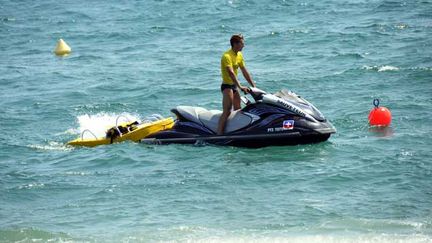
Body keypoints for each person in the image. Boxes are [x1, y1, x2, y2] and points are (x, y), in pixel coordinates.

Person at [217, 34, 256, 135]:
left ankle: (234, 130)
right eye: (242, 44)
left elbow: (244, 71)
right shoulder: (226, 56)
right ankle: (218, 134)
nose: (244, 46)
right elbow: (231, 73)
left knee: (238, 109)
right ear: (235, 44)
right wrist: (240, 86)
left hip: (234, 86)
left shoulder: (239, 55)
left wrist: (254, 86)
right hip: (227, 86)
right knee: (227, 110)